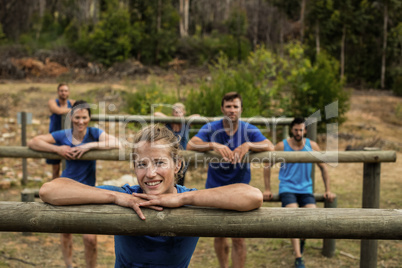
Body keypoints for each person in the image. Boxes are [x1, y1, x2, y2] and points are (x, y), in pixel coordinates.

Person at [39, 124, 264, 267]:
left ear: (178, 165)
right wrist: (115, 198)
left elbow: (252, 196)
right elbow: (49, 190)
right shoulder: (126, 195)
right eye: (141, 164)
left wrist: (183, 199)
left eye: (159, 162)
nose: (150, 174)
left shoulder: (190, 199)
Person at [28, 100, 120, 268]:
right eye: (77, 117)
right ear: (71, 117)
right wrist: (58, 149)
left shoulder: (93, 133)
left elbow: (116, 142)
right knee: (65, 233)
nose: (80, 121)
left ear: (89, 118)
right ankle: (69, 265)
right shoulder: (64, 135)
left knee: (90, 238)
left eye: (84, 117)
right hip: (66, 189)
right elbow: (34, 142)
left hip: (88, 192)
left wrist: (89, 146)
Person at [186, 92, 273, 268]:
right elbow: (191, 144)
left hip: (239, 188)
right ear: (222, 108)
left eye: (235, 106)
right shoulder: (212, 128)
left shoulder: (247, 129)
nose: (232, 110)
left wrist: (249, 145)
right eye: (228, 106)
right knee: (219, 234)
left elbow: (269, 145)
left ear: (241, 109)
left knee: (239, 238)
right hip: (215, 188)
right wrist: (212, 145)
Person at [263, 117, 336, 268]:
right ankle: (298, 258)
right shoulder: (282, 146)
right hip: (287, 187)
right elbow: (267, 164)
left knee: (311, 221)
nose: (298, 132)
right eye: (296, 130)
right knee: (293, 219)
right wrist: (268, 189)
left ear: (305, 130)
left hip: (306, 189)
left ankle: (301, 242)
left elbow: (323, 168)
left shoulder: (312, 145)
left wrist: (327, 190)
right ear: (291, 130)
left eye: (301, 129)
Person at [154, 102, 200, 185]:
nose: (178, 114)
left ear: (184, 113)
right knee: (168, 177)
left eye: (180, 112)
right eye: (176, 112)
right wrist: (170, 119)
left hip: (183, 156)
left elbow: (197, 116)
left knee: (181, 179)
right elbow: (156, 114)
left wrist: (183, 119)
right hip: (169, 155)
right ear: (173, 113)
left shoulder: (186, 124)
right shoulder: (168, 123)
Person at [47, 83, 75, 180]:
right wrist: (72, 110)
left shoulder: (71, 103)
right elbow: (57, 110)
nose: (63, 93)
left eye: (65, 91)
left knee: (69, 167)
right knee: (55, 168)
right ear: (58, 92)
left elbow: (81, 110)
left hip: (68, 138)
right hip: (54, 138)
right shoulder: (52, 102)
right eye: (61, 91)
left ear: (69, 92)